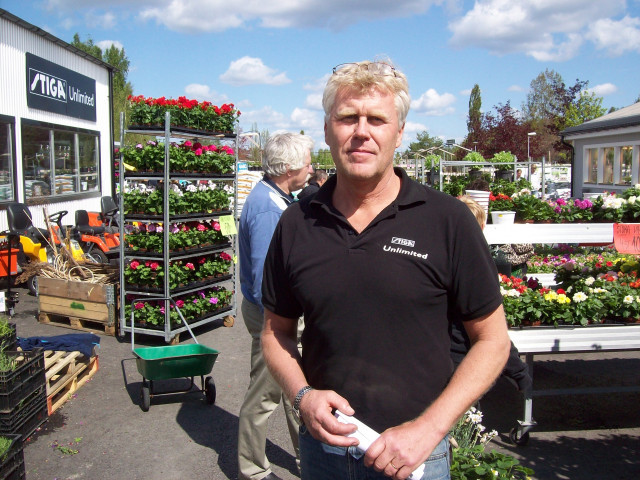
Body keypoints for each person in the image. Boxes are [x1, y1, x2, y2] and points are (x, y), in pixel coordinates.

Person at [261, 60, 511, 480]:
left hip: (417, 458)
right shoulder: (297, 223)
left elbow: (493, 341)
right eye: (347, 118)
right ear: (326, 130)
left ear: (398, 132)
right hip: (325, 453)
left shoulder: (446, 220)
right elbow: (275, 332)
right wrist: (302, 396)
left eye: (376, 119)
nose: (361, 131)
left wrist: (429, 429)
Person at [237, 132, 314, 480]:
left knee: (293, 388)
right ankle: (252, 469)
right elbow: (264, 279)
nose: (312, 169)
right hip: (273, 318)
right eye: (308, 162)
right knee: (264, 394)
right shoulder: (270, 209)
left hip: (274, 315)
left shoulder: (276, 198)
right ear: (289, 168)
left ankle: (309, 459)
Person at [455, 196, 532, 392]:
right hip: (459, 360)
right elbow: (488, 327)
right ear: (481, 228)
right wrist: (518, 371)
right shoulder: (474, 264)